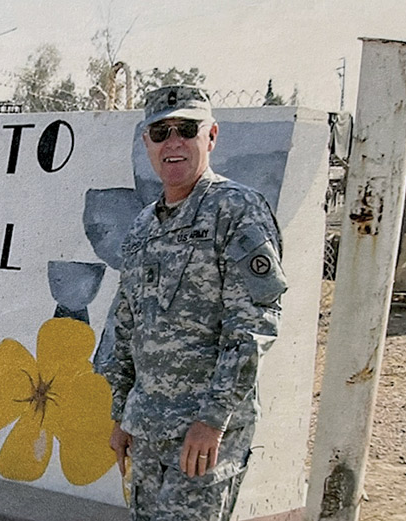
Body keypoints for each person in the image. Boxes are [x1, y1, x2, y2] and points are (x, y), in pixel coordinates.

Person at [102, 85, 287, 520]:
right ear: (146, 142)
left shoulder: (236, 210)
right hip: (147, 427)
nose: (173, 142)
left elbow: (253, 323)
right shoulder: (145, 225)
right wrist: (123, 412)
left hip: (201, 437)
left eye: (186, 129)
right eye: (160, 132)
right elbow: (128, 323)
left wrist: (213, 420)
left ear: (212, 136)